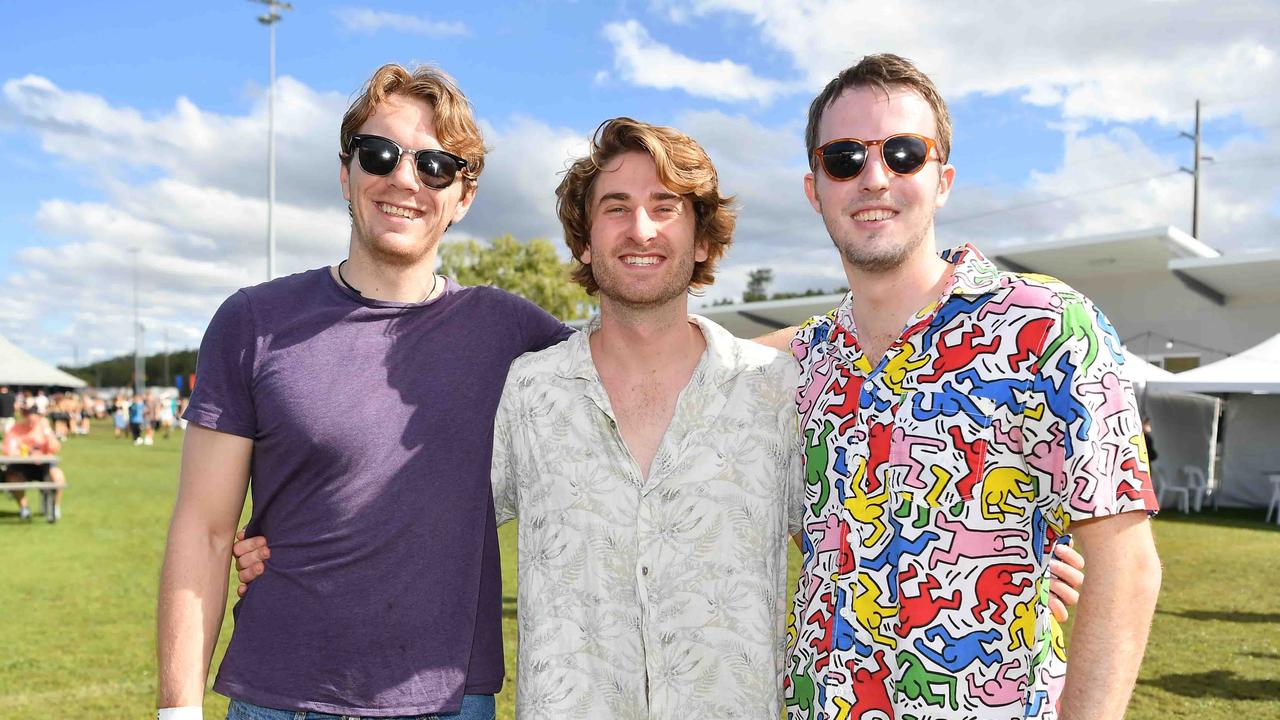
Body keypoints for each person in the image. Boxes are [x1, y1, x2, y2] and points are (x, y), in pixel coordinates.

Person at [232, 117, 1088, 718]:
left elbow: (865, 535)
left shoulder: (779, 391)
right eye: (615, 207)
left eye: (666, 206)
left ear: (703, 238)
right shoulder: (526, 393)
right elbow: (415, 512)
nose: (640, 229)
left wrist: (1008, 556)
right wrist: (284, 540)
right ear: (584, 237)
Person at [155, 63, 571, 720]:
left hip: (450, 702)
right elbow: (204, 531)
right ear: (346, 173)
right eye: (380, 154)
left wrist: (797, 349)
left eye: (436, 165)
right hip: (279, 699)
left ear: (463, 197)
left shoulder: (506, 327)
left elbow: (650, 363)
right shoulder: (253, 321)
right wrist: (176, 712)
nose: (405, 179)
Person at [777, 54, 1161, 719]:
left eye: (903, 153)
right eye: (844, 158)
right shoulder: (803, 364)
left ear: (943, 180)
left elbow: (1126, 569)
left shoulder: (1045, 327)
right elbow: (818, 535)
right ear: (815, 188)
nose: (874, 178)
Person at [2, 403, 66, 521]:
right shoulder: (16, 429)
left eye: (34, 415)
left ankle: (55, 508)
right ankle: (24, 508)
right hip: (21, 466)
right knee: (12, 478)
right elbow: (7, 448)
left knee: (58, 477)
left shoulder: (44, 430)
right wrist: (17, 452)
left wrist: (47, 431)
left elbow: (55, 448)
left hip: (43, 465)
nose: (31, 418)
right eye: (28, 414)